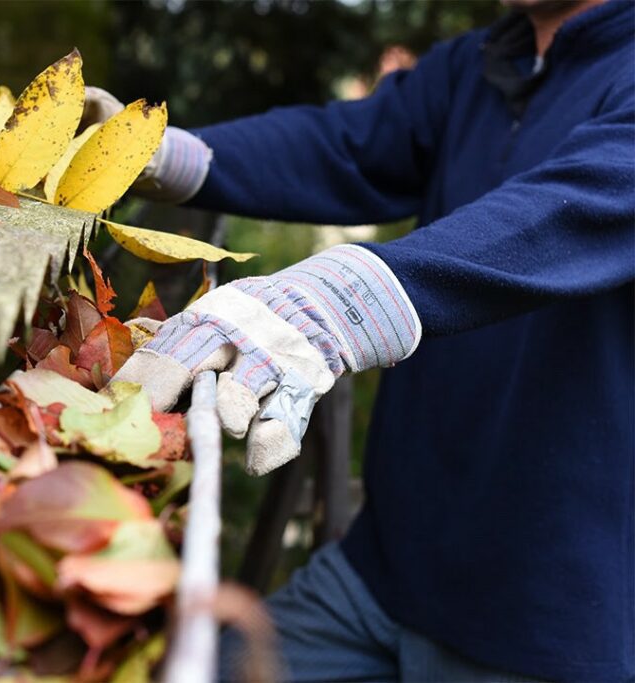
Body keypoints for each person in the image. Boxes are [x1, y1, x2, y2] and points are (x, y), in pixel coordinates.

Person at [96, 0, 634, 680]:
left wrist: (345, 299)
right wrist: (166, 155)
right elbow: (344, 146)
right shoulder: (481, 66)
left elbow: (571, 210)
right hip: (381, 572)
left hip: (544, 624)